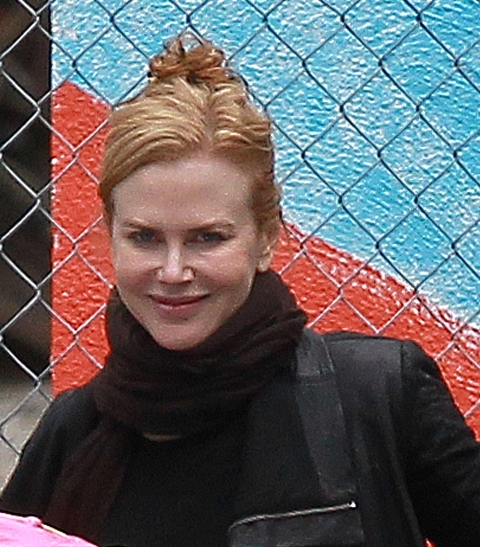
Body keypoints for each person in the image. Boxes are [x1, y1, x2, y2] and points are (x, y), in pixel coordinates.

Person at [1, 33, 480, 547]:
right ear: (110, 236)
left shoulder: (377, 393)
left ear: (266, 238)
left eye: (208, 238)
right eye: (145, 238)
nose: (173, 271)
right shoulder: (73, 432)